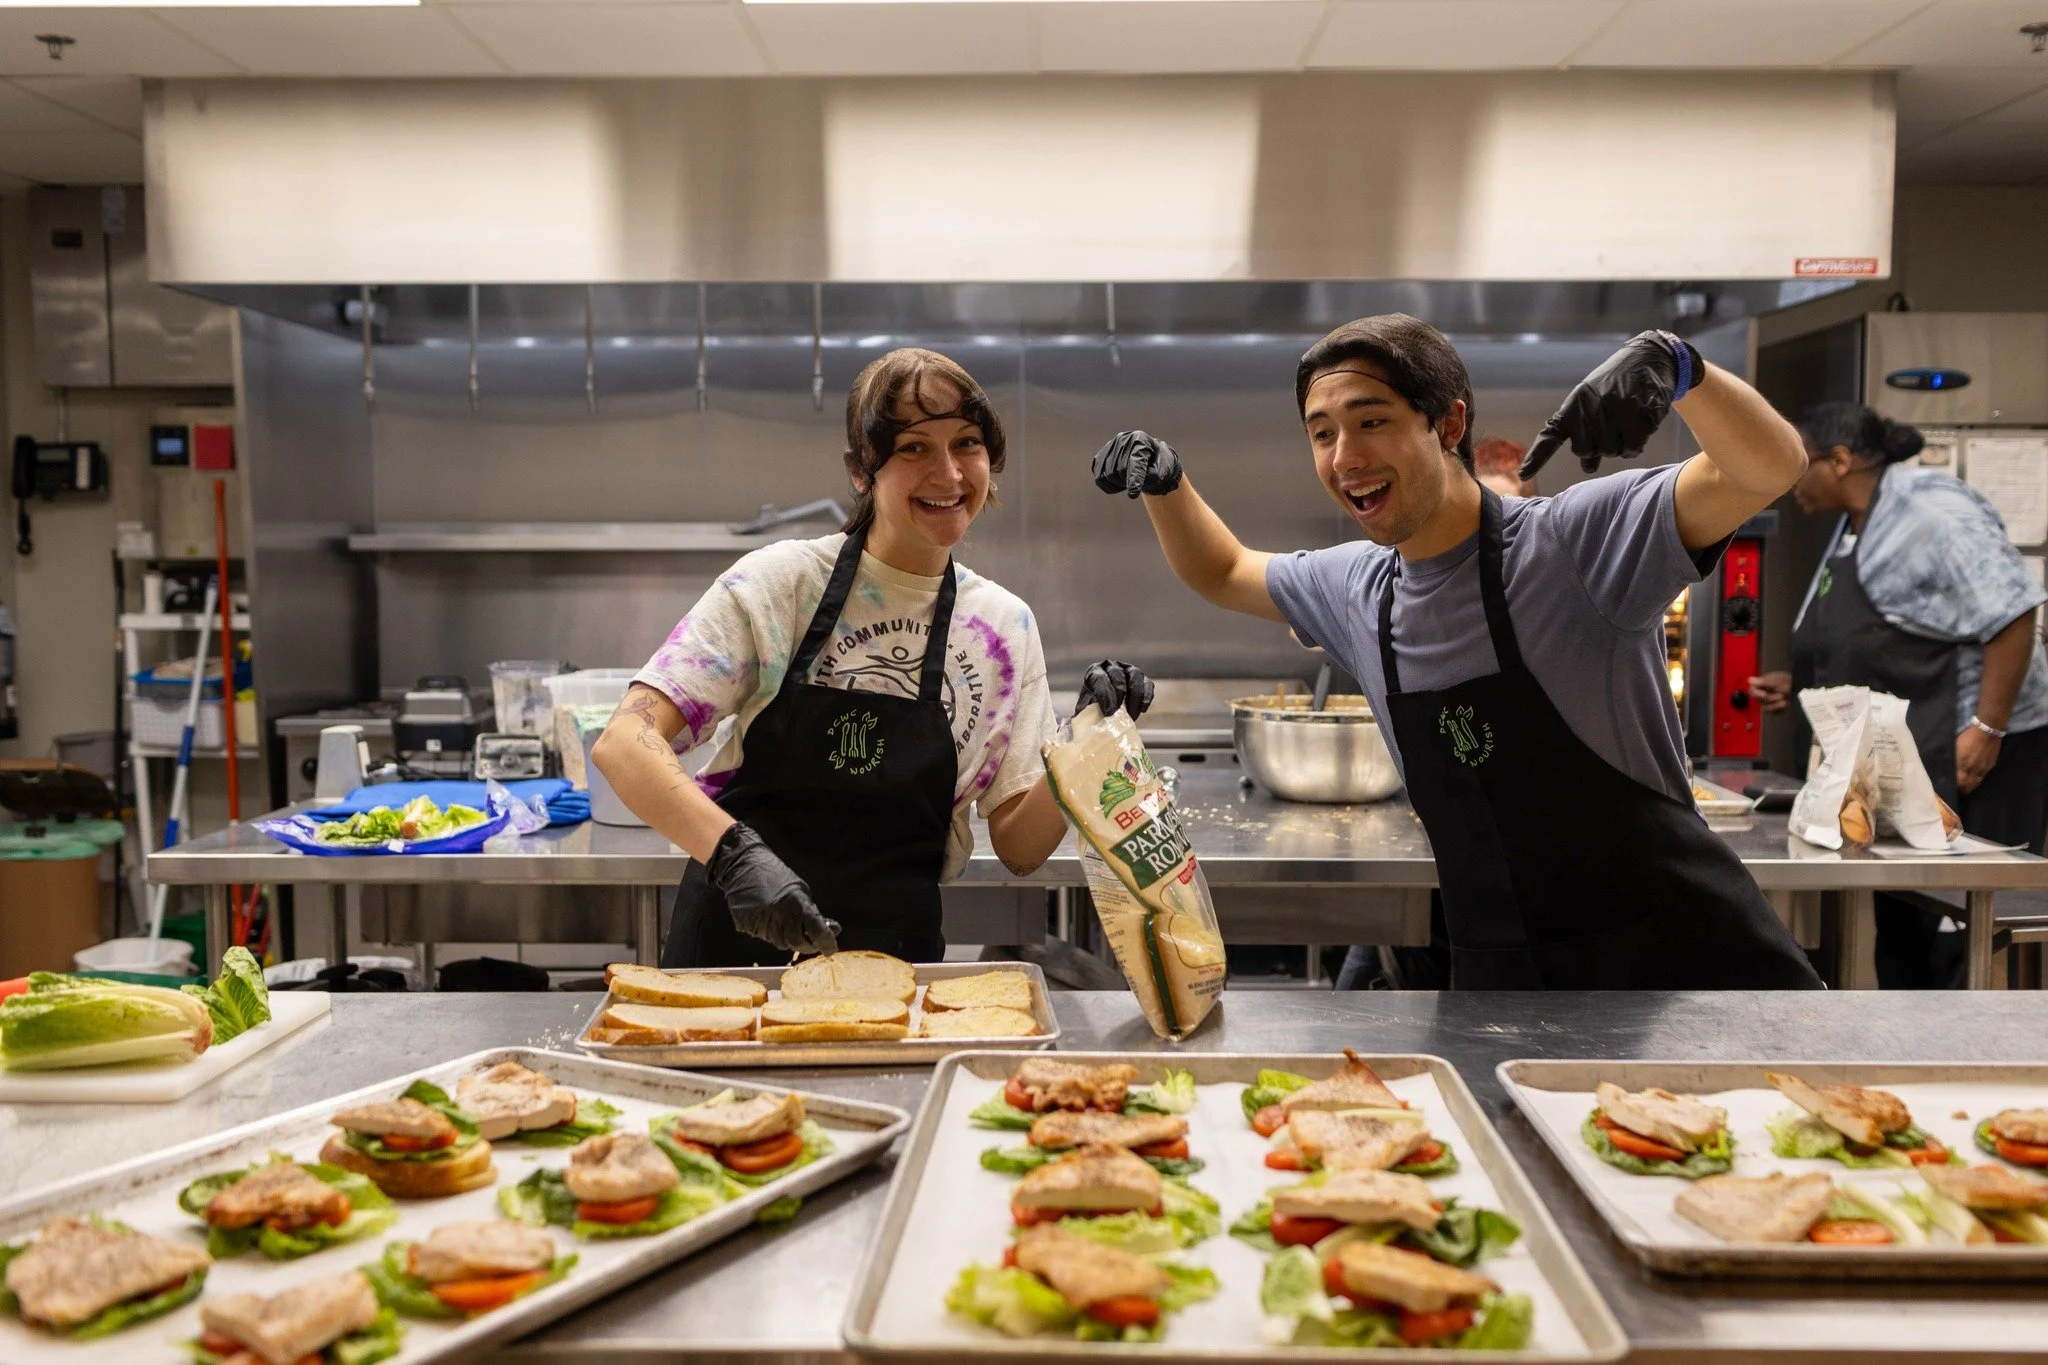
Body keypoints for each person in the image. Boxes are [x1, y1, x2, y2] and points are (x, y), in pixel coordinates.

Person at [1091, 314, 1820, 990]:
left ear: (1449, 424)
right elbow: (1224, 570)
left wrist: (1683, 369)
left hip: (1689, 988)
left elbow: (1768, 469)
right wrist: (1167, 484)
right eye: (1321, 433)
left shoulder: (1570, 544)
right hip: (1509, 998)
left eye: (1371, 421)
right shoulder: (1358, 590)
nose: (1345, 457)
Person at [595, 348, 1152, 966]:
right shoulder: (782, 585)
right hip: (734, 956)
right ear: (862, 470)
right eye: (913, 447)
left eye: (966, 443)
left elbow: (1020, 847)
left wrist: (1084, 743)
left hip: (893, 970)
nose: (949, 474)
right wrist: (734, 856)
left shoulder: (1003, 626)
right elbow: (624, 742)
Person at [1749, 402, 2048, 988]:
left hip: (1979, 749)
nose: (1788, 483)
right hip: (1913, 743)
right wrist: (1806, 681)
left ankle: (1976, 1038)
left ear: (1839, 461)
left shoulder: (1931, 514)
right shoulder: (1856, 520)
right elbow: (1893, 631)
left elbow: (2014, 612)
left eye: (1796, 464)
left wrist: (1987, 729)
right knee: (1902, 916)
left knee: (1965, 927)